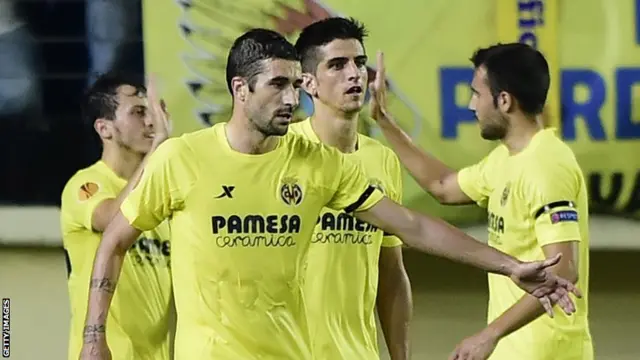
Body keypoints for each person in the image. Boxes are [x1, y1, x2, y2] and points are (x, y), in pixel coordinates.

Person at [80, 30, 580, 360]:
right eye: (277, 85)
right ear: (240, 89)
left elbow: (412, 225)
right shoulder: (181, 158)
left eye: (295, 85)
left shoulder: (321, 165)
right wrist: (93, 337)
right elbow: (114, 241)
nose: (291, 98)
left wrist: (509, 266)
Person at [369, 43, 592, 360]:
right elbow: (443, 187)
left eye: (476, 93)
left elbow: (564, 271)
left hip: (548, 351)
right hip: (515, 350)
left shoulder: (546, 166)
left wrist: (489, 334)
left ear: (504, 100)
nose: (471, 105)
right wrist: (384, 121)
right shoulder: (506, 159)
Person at [291, 17, 411, 360]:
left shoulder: (382, 161)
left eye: (359, 62)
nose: (355, 73)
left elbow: (391, 272)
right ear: (308, 83)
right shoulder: (283, 152)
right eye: (337, 65)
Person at [60, 72, 173, 360]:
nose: (151, 122)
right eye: (138, 112)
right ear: (105, 129)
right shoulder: (85, 185)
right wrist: (159, 145)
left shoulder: (164, 194)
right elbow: (113, 219)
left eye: (153, 112)